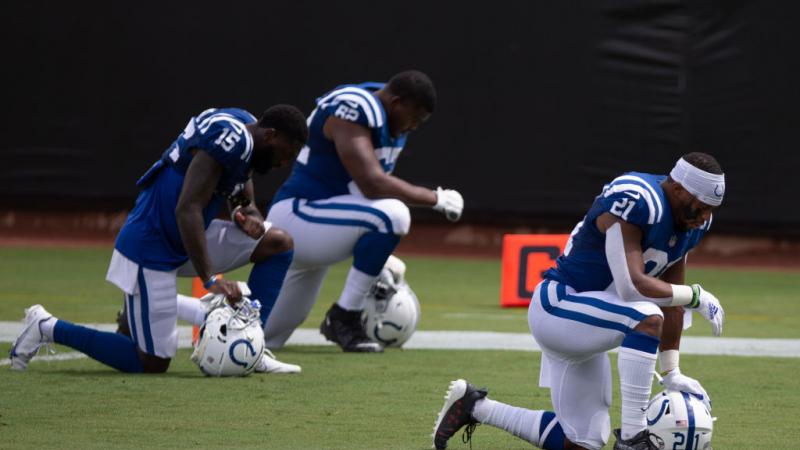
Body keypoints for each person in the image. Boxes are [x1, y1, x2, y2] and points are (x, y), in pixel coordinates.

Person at [433, 152, 726, 450]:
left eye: (711, 209)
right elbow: (630, 285)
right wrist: (696, 296)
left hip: (591, 320)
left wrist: (671, 371)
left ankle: (474, 407)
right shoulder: (638, 199)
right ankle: (633, 436)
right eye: (701, 207)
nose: (705, 217)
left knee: (584, 442)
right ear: (678, 190)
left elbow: (671, 295)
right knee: (646, 317)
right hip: (560, 305)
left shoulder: (690, 223)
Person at [10, 105, 308, 374]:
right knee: (152, 361)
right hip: (152, 246)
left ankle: (253, 345)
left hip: (189, 239)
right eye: (287, 153)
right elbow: (187, 208)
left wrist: (249, 214)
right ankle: (47, 326)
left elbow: (242, 194)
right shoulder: (232, 140)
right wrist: (209, 279)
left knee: (277, 243)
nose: (284, 163)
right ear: (271, 135)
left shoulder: (246, 131)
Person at [262, 70, 464, 353]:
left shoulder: (386, 121)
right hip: (298, 216)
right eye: (414, 118)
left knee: (260, 337)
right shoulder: (354, 107)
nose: (413, 127)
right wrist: (435, 198)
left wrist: (377, 258)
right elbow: (371, 185)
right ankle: (345, 316)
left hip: (322, 223)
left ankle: (202, 314)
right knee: (392, 215)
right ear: (396, 102)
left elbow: (358, 196)